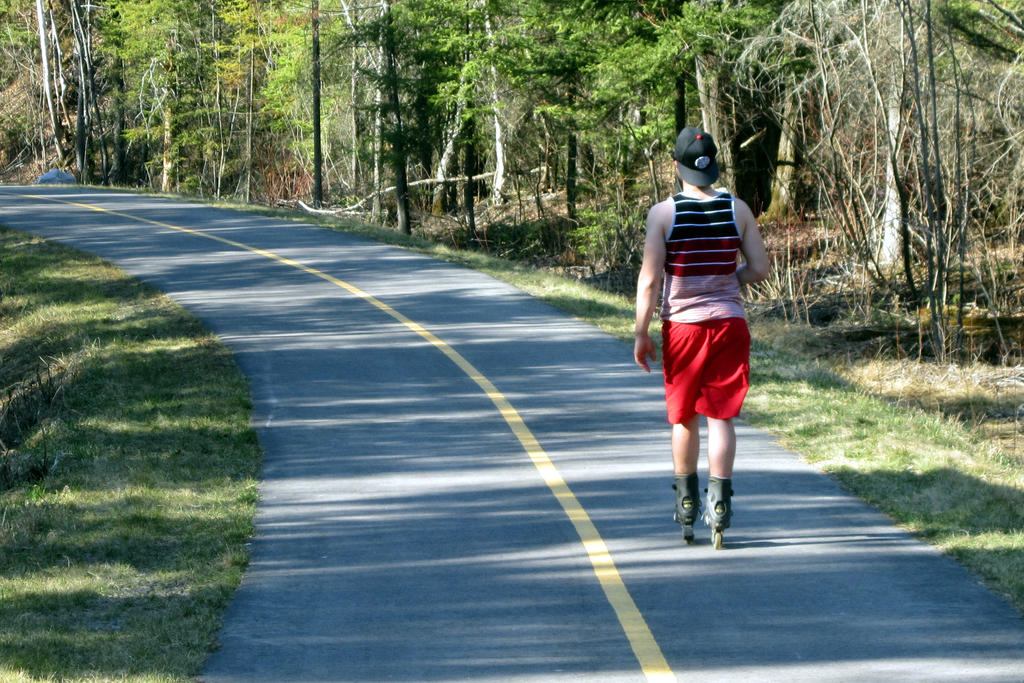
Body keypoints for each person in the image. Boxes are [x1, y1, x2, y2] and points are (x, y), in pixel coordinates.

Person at [633, 126, 770, 548]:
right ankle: (721, 506)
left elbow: (650, 281)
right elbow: (760, 269)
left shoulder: (663, 214)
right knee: (721, 416)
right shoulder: (738, 208)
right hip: (730, 324)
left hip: (683, 329)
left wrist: (641, 332)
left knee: (684, 416)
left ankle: (687, 504)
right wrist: (730, 278)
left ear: (676, 166)